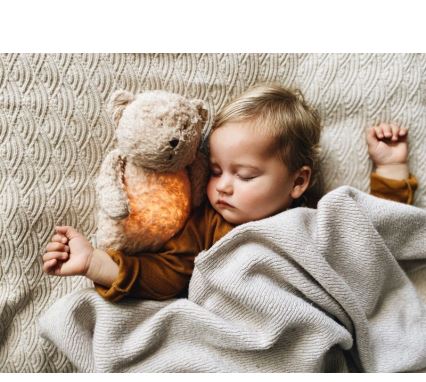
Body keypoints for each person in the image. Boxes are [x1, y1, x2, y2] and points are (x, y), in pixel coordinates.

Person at [42, 83, 418, 302]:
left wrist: (390, 168)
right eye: (217, 170)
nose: (222, 185)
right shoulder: (207, 225)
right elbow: (166, 275)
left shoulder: (319, 220)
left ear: (298, 182)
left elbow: (376, 239)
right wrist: (93, 263)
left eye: (246, 175)